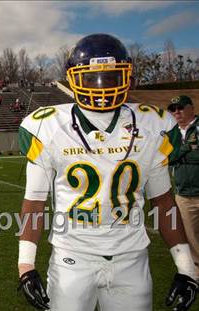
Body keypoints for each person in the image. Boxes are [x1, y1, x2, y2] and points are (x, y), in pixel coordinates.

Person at [17, 34, 198, 311]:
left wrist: (186, 267)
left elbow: (163, 202)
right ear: (74, 79)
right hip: (71, 258)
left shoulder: (151, 125)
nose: (101, 87)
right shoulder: (49, 126)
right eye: (91, 78)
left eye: (111, 77)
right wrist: (26, 265)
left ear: (127, 78)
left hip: (131, 258)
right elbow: (34, 202)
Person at [168, 95, 199, 278]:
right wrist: (188, 149)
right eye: (173, 109)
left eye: (180, 107)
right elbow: (168, 158)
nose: (177, 112)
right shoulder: (171, 132)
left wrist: (180, 156)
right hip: (183, 195)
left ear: (191, 108)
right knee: (191, 238)